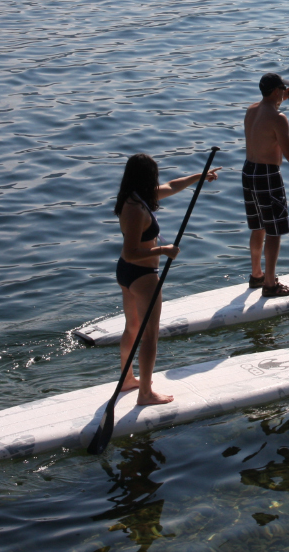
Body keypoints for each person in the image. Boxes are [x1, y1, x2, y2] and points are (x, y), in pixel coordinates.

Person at [114, 153, 220, 405]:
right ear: (146, 177)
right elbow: (131, 252)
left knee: (132, 327)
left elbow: (172, 186)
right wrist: (163, 250)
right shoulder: (135, 209)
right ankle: (145, 393)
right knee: (150, 335)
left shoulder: (135, 198)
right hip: (141, 275)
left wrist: (199, 176)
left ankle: (127, 379)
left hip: (127, 273)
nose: (157, 179)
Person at [243, 73, 289, 298]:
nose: (284, 92)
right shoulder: (279, 118)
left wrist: (282, 98)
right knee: (274, 231)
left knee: (258, 227)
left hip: (248, 171)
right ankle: (269, 284)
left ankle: (256, 275)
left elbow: (267, 109)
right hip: (267, 174)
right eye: (282, 89)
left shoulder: (251, 110)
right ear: (276, 91)